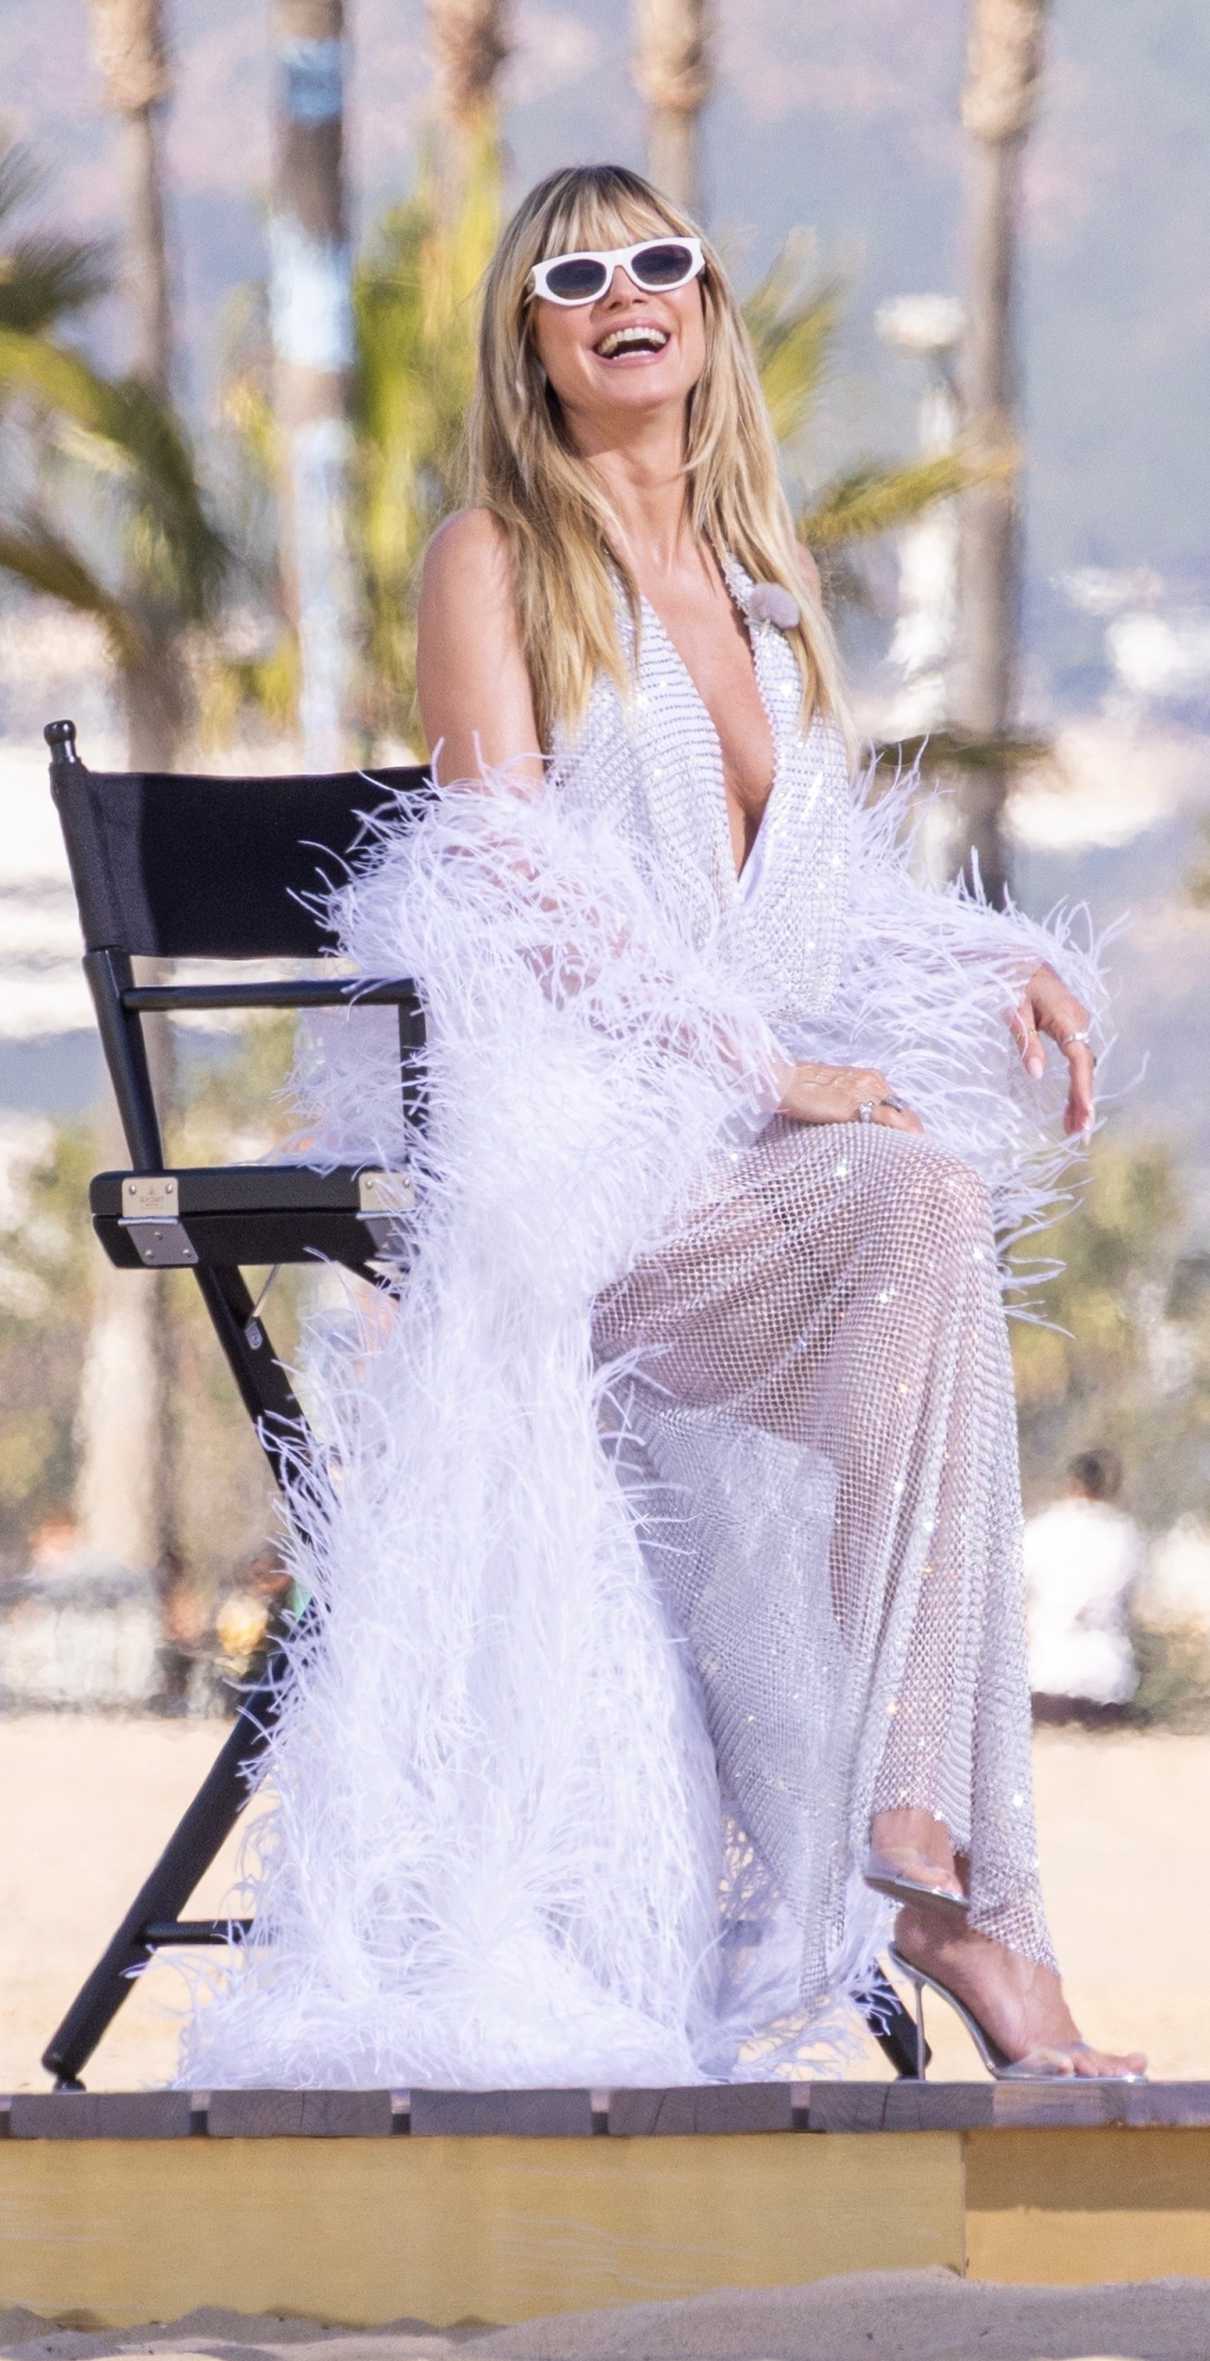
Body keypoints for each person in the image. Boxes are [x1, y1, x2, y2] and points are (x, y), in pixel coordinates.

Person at [173, 165, 1145, 2090]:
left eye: (661, 259)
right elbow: (507, 871)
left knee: (932, 1212)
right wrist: (758, 1068)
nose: (627, 289)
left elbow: (820, 912)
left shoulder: (772, 604)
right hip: (590, 1192)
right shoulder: (495, 562)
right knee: (916, 1207)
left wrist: (995, 963)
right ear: (531, 342)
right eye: (576, 273)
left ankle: (927, 1854)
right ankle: (942, 1877)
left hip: (763, 1194)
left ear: (702, 313)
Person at [1025, 1448, 1144, 1724]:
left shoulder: (1042, 1529)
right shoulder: (1124, 1534)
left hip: (1046, 1678)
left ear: (1070, 1484)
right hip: (1109, 1685)